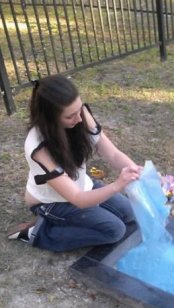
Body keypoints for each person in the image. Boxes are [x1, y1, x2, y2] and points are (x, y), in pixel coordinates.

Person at [7, 74, 142, 252]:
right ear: (50, 118)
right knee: (114, 230)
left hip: (81, 185)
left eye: (79, 110)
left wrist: (140, 173)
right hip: (53, 202)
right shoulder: (39, 148)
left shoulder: (79, 114)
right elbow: (77, 199)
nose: (79, 118)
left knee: (129, 213)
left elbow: (113, 154)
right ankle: (38, 232)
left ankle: (75, 220)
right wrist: (117, 185)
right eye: (70, 116)